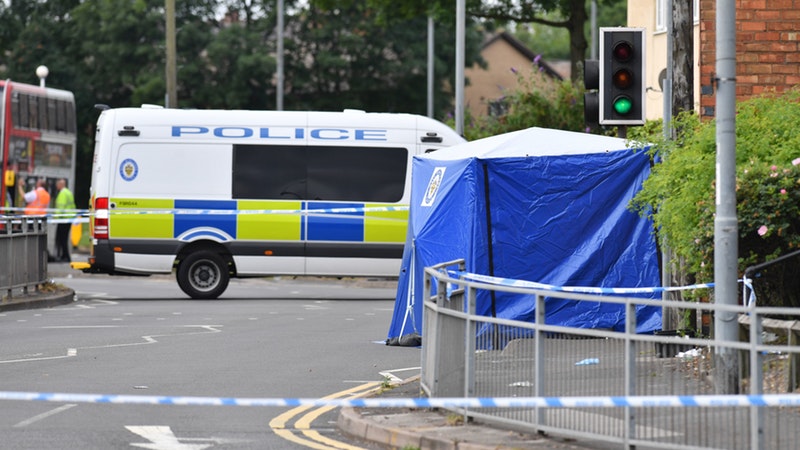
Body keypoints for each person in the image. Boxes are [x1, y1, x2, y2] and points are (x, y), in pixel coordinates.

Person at [54, 178, 76, 262]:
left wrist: (55, 218)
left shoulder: (62, 193)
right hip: (68, 219)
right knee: (64, 238)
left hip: (63, 219)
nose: (56, 186)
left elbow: (61, 208)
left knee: (62, 238)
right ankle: (64, 255)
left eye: (57, 184)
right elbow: (73, 206)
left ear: (60, 184)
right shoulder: (68, 192)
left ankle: (65, 256)